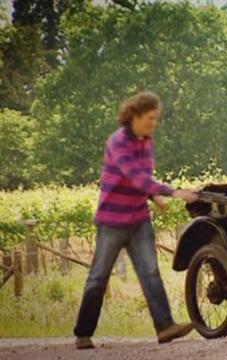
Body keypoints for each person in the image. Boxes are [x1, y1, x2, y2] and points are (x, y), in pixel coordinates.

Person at [74, 91, 199, 349]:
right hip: (112, 221)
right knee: (99, 276)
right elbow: (136, 178)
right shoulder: (118, 142)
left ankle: (165, 327)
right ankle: (83, 333)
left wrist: (154, 198)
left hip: (138, 219)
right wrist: (174, 192)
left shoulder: (147, 141)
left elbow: (142, 178)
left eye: (156, 118)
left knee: (150, 273)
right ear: (135, 116)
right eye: (150, 118)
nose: (154, 123)